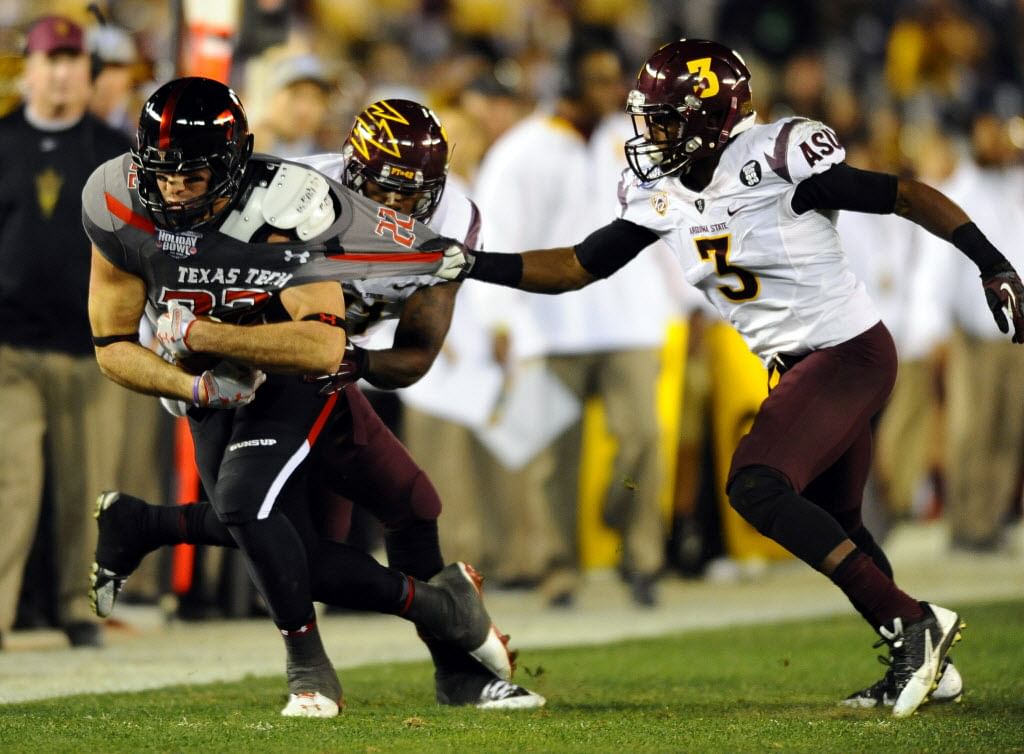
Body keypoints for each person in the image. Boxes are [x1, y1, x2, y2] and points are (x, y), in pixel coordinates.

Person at [436, 38, 1024, 717]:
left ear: (710, 117)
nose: (649, 133)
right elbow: (576, 266)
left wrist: (992, 263)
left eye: (664, 118)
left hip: (848, 352)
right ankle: (916, 656)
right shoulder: (662, 193)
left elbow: (904, 195)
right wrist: (472, 263)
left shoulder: (776, 160)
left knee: (756, 485)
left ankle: (915, 625)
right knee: (837, 524)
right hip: (800, 365)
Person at [84, 78, 517, 718]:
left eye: (409, 194)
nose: (393, 206)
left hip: (307, 358)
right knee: (283, 536)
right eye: (380, 188)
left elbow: (385, 352)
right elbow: (115, 341)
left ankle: (456, 671)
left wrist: (341, 358)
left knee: (404, 505)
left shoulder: (409, 216)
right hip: (211, 367)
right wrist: (191, 375)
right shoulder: (283, 192)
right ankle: (428, 626)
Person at [472, 36, 676, 606]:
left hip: (632, 317)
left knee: (643, 440)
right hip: (549, 324)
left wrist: (683, 302)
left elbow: (667, 224)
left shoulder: (635, 142)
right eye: (601, 80)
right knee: (553, 459)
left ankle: (639, 554)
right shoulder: (520, 152)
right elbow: (497, 241)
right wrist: (502, 324)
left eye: (618, 80)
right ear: (566, 85)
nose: (615, 91)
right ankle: (560, 568)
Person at [0, 14, 130, 650]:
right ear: (28, 67)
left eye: (71, 59)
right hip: (10, 348)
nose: (58, 71)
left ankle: (79, 611)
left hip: (90, 349)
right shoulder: (0, 141)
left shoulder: (113, 151)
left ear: (88, 71)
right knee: (10, 483)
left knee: (89, 486)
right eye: (48, 59)